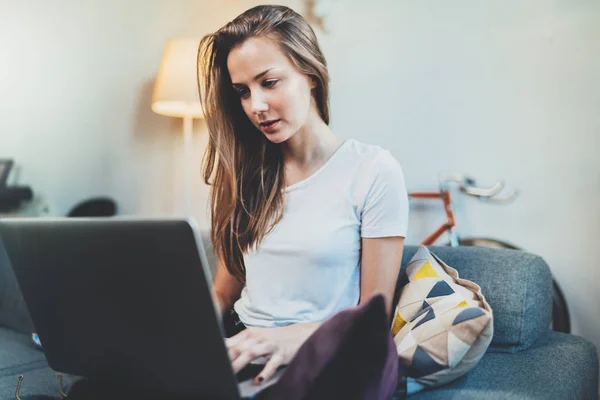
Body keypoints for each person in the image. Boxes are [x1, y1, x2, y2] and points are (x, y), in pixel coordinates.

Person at [197, 4, 409, 386]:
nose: (255, 106)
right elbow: (223, 293)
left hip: (323, 355)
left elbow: (371, 317)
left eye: (269, 82)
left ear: (309, 73)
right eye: (242, 92)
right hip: (242, 347)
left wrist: (284, 338)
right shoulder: (246, 174)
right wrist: (187, 334)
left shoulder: (373, 170)